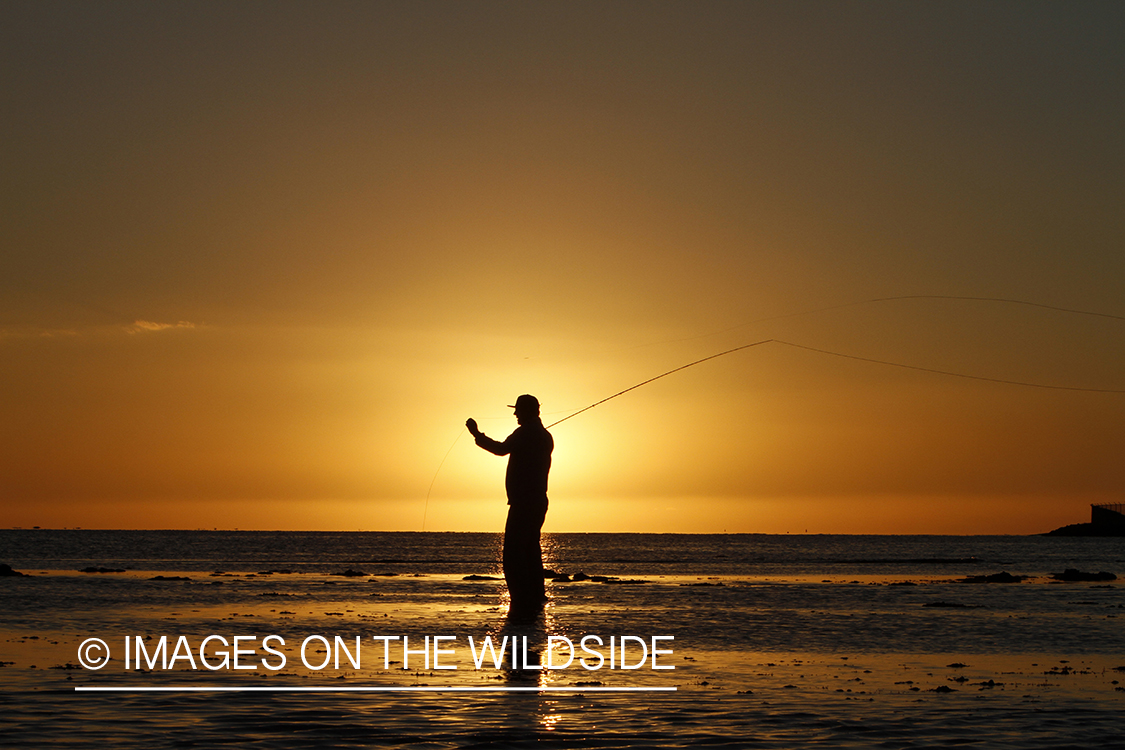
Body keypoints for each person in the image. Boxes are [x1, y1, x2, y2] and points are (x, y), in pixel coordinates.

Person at [466, 394, 553, 619]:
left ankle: (521, 600)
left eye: (518, 410)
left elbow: (501, 449)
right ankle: (535, 597)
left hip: (524, 502)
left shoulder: (525, 433)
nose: (515, 414)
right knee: (531, 551)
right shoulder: (545, 436)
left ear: (528, 411)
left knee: (513, 554)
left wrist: (477, 434)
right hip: (538, 501)